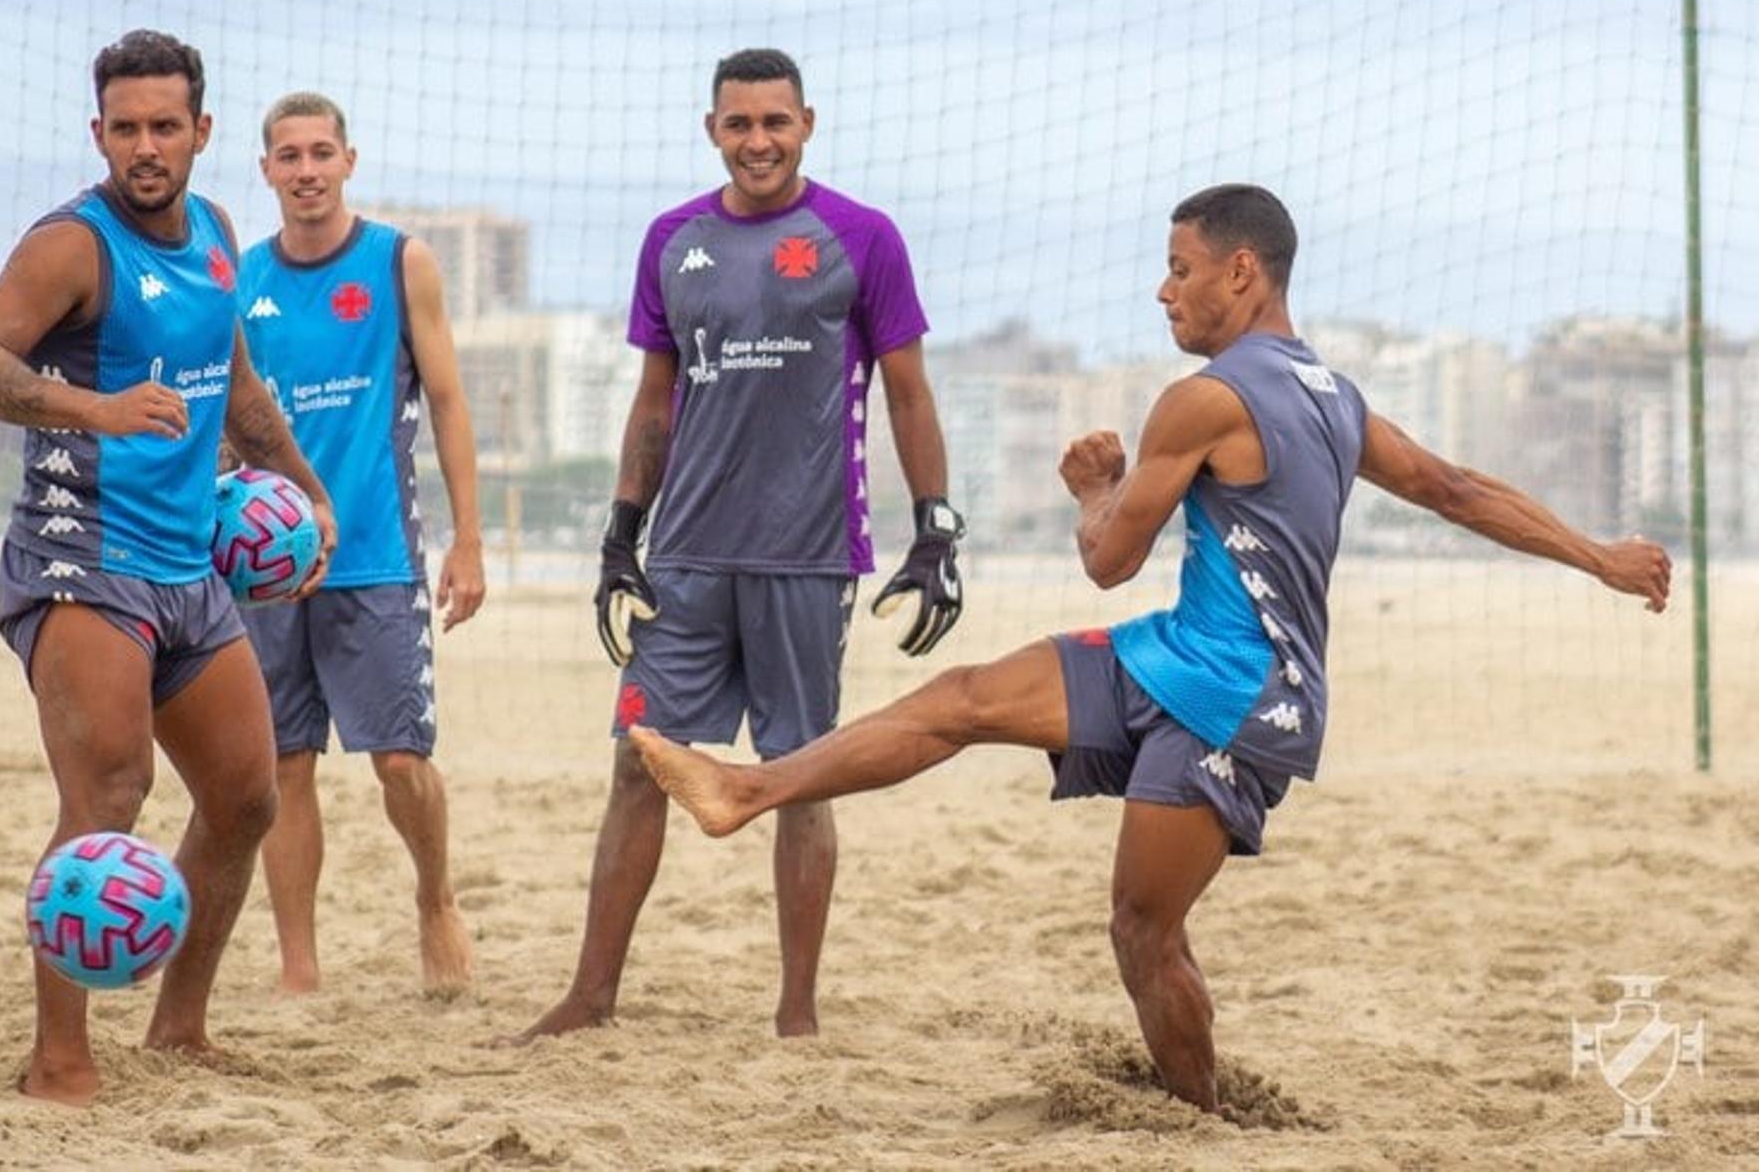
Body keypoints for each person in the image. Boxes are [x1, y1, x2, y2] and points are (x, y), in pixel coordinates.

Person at [630, 183, 1673, 1109]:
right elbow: (1457, 489)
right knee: (961, 697)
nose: (1165, 292)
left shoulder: (1203, 399)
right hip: (1171, 654)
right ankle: (745, 791)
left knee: (1142, 929)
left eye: (1179, 271)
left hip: (1238, 699)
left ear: (1242, 271)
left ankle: (1201, 1117)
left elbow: (1106, 558)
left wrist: (1093, 487)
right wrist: (1599, 556)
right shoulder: (1334, 395)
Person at [513, 48, 964, 1041]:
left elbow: (910, 390)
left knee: (801, 771)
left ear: (808, 123)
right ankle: (590, 998)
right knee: (639, 761)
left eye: (776, 123)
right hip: (686, 558)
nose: (758, 140)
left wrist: (935, 527)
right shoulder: (674, 240)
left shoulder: (863, 237)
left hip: (808, 556)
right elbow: (656, 398)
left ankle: (797, 1012)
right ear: (712, 128)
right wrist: (620, 532)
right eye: (739, 124)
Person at [0, 30, 339, 1105]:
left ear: (203, 132)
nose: (146, 146)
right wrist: (91, 407)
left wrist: (306, 490)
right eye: (126, 128)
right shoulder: (72, 245)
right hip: (80, 561)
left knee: (247, 799)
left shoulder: (214, 229)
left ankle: (180, 1027)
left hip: (189, 565)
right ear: (98, 132)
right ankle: (59, 1058)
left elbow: (236, 392)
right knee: (109, 790)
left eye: (166, 126)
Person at [234, 91, 487, 995]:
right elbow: (226, 422)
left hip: (377, 553)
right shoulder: (239, 278)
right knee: (283, 764)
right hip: (266, 568)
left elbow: (449, 403)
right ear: (265, 169)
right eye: (288, 156)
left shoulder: (397, 262)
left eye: (320, 153)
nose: (305, 170)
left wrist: (468, 541)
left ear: (349, 160)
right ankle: (299, 967)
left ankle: (435, 897)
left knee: (398, 760)